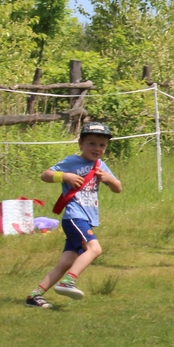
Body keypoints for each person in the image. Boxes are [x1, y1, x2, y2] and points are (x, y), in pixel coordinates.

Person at [25, 122, 123, 307]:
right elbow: (45, 175)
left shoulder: (100, 165)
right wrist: (64, 176)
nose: (97, 148)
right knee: (95, 249)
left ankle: (34, 296)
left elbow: (118, 188)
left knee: (66, 262)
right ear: (81, 144)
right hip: (74, 217)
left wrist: (109, 179)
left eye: (102, 145)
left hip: (87, 218)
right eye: (91, 143)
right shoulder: (71, 162)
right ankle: (68, 282)